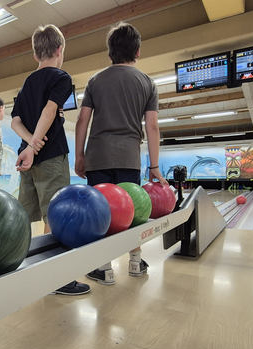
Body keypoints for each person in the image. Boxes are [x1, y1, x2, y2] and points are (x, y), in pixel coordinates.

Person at [75, 22, 168, 285]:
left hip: (98, 156)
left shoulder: (95, 80)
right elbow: (152, 126)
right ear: (137, 51)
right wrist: (155, 166)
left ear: (109, 53)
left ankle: (103, 268)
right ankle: (136, 263)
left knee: (101, 213)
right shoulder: (148, 83)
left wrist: (79, 156)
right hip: (129, 158)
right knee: (133, 212)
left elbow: (83, 121)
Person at [11, 24, 90, 296]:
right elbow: (49, 109)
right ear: (60, 50)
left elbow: (15, 122)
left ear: (35, 55)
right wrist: (35, 145)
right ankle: (55, 278)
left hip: (26, 158)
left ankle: (19, 264)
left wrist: (29, 143)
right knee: (55, 216)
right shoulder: (61, 77)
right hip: (50, 155)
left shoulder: (27, 83)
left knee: (27, 214)